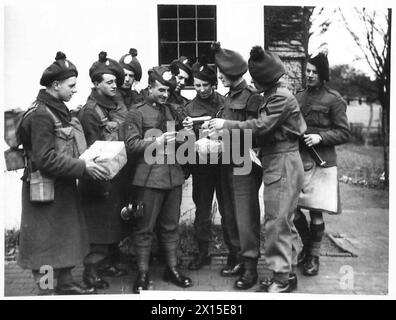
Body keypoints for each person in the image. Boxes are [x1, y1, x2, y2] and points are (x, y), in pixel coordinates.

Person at [209, 46, 307, 293]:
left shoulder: (280, 97)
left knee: (276, 222)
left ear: (265, 79)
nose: (252, 82)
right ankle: (287, 273)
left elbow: (261, 126)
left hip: (282, 161)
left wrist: (226, 125)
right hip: (278, 160)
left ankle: (281, 281)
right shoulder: (273, 95)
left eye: (255, 79)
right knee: (283, 221)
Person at [17, 52, 108, 295]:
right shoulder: (41, 115)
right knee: (45, 245)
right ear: (55, 85)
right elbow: (44, 159)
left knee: (66, 236)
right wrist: (83, 167)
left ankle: (66, 283)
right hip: (44, 189)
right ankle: (46, 291)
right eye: (71, 86)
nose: (75, 90)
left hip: (61, 186)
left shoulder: (57, 109)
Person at [124, 66, 193, 293]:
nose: (164, 95)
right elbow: (132, 145)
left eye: (167, 91)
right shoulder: (137, 112)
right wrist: (159, 140)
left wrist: (188, 132)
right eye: (161, 90)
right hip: (149, 179)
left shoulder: (174, 111)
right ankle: (142, 273)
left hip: (173, 177)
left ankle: (171, 268)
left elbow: (184, 144)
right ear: (150, 88)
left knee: (170, 226)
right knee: (144, 227)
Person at [208, 42, 263, 290]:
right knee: (228, 213)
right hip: (224, 162)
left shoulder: (253, 98)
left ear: (233, 74)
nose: (218, 78)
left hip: (242, 164)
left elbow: (257, 134)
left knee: (245, 215)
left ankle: (250, 267)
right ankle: (236, 256)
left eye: (222, 74)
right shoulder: (228, 98)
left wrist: (224, 131)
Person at [293, 52, 351, 276]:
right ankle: (308, 247)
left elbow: (344, 133)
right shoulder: (298, 97)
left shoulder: (334, 99)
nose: (309, 75)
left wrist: (321, 137)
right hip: (299, 160)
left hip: (322, 162)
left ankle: (313, 258)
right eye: (307, 70)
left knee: (316, 213)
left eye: (314, 72)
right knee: (293, 210)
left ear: (323, 74)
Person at [77, 51, 128, 290]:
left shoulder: (114, 105)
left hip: (115, 174)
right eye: (108, 81)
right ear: (96, 84)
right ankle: (91, 271)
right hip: (98, 177)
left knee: (111, 223)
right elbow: (89, 149)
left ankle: (107, 262)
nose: (114, 84)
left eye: (115, 81)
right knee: (98, 226)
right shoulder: (90, 111)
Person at [181, 56, 228, 271]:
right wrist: (189, 131)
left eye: (205, 85)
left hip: (225, 163)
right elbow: (185, 141)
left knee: (228, 208)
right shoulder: (189, 108)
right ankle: (202, 252)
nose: (200, 89)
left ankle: (233, 252)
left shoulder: (224, 103)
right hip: (202, 167)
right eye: (197, 85)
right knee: (202, 209)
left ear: (213, 84)